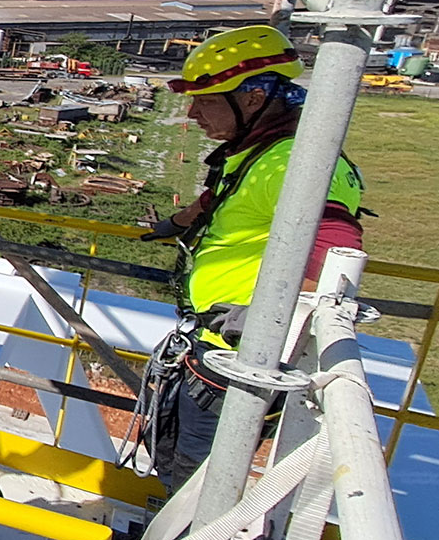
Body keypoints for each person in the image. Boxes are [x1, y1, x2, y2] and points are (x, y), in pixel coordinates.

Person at [140, 25, 366, 489]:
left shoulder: (294, 165)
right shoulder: (257, 153)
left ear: (253, 97)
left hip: (240, 360)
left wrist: (272, 320)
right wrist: (175, 224)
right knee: (173, 452)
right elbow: (221, 199)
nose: (193, 113)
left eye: (205, 101)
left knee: (198, 477)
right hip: (215, 347)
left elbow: (335, 250)